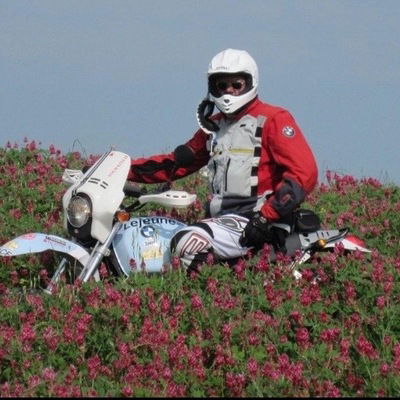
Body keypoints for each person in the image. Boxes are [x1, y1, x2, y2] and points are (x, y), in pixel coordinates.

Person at [128, 48, 318, 272]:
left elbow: (304, 173)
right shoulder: (213, 126)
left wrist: (266, 217)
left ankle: (211, 289)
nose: (229, 90)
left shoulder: (273, 119)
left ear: (251, 82)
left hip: (258, 220)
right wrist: (122, 170)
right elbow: (176, 164)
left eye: (237, 84)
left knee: (187, 241)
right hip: (223, 222)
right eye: (222, 85)